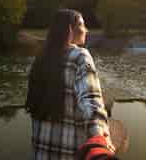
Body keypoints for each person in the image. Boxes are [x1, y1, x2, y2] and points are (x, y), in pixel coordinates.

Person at [25, 9, 115, 160]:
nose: (85, 30)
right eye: (81, 25)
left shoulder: (41, 59)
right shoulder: (80, 56)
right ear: (69, 30)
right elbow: (91, 102)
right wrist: (101, 140)